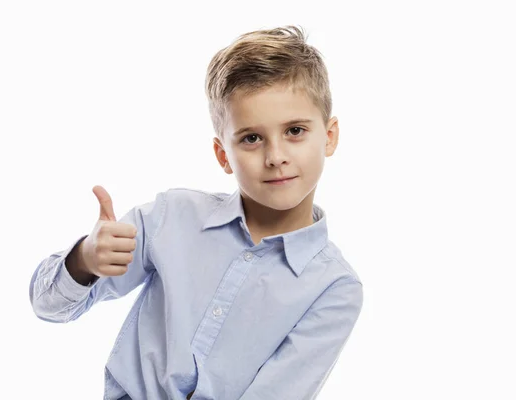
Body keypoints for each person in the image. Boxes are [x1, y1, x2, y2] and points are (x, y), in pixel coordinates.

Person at [29, 25, 364, 400]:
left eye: (295, 130)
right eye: (251, 138)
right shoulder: (171, 218)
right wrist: (85, 261)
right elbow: (48, 307)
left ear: (329, 136)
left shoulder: (334, 288)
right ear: (224, 155)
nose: (276, 157)